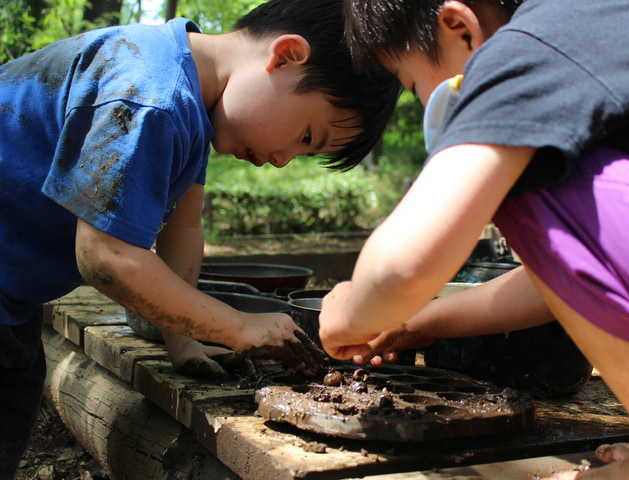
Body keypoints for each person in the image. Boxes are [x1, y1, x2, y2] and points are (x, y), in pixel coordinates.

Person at [318, 0, 629, 479]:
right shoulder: (623, 28)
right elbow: (578, 275)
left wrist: (351, 311)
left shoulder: (521, 49)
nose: (426, 103)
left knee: (516, 182)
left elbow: (396, 268)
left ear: (458, 29)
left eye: (413, 85)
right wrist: (417, 323)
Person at [0, 0, 399, 475]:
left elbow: (183, 228)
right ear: (286, 55)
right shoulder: (153, 95)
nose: (283, 160)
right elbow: (105, 254)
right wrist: (235, 325)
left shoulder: (189, 99)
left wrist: (184, 339)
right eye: (307, 136)